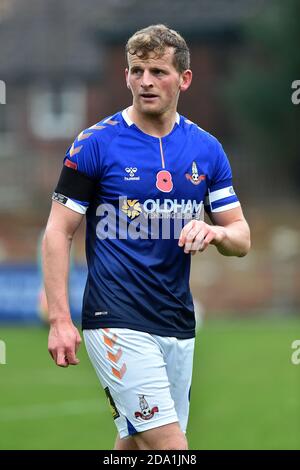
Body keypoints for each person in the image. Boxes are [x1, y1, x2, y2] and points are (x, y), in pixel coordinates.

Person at [42, 24, 251, 451]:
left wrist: (213, 231)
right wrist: (60, 320)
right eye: (136, 71)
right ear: (126, 76)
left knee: (136, 446)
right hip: (115, 318)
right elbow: (57, 231)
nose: (145, 82)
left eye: (158, 71)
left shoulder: (206, 149)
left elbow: (241, 237)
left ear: (184, 79)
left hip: (176, 320)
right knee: (172, 448)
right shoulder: (94, 145)